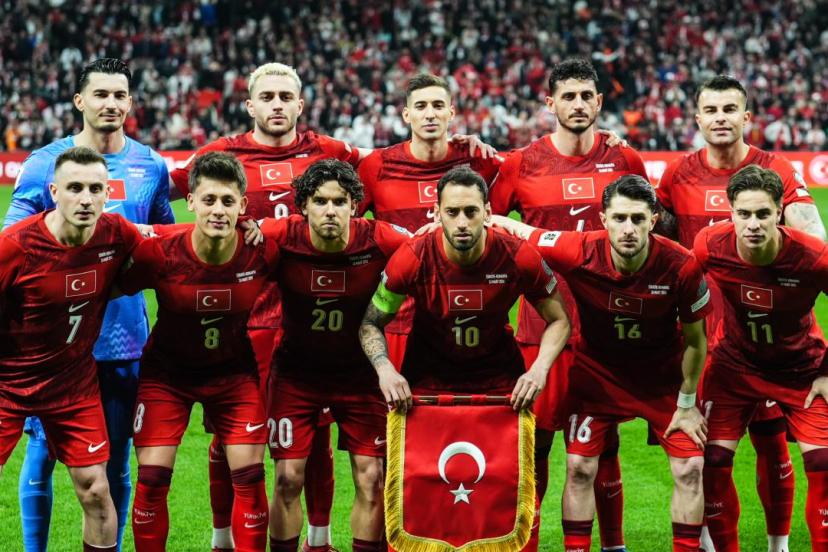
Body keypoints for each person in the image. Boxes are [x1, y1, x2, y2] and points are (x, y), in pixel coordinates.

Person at [170, 62, 361, 552]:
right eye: (267, 97)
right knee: (231, 435)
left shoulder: (331, 152)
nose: (277, 105)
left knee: (315, 431)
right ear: (250, 105)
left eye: (285, 97)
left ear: (300, 104)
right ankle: (222, 538)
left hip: (308, 316)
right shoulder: (220, 154)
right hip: (245, 317)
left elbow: (385, 170)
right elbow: (161, 188)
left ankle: (319, 538)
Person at [3, 58, 174, 552]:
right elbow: (15, 236)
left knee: (112, 463)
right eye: (101, 94)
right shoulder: (45, 163)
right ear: (80, 101)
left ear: (131, 102)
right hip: (49, 345)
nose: (111, 104)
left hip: (122, 339)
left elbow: (164, 239)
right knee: (41, 454)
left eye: (120, 95)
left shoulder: (149, 165)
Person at [494, 174, 711, 552]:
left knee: (691, 468)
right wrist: (474, 219)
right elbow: (522, 231)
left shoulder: (681, 265)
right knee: (579, 467)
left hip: (661, 382)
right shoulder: (577, 250)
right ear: (603, 219)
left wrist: (688, 403)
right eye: (620, 218)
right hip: (598, 379)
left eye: (638, 219)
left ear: (653, 220)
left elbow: (696, 341)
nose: (629, 229)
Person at [657, 75, 827, 552]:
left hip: (779, 337)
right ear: (697, 119)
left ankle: (779, 545)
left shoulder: (776, 169)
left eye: (730, 109)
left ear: (746, 117)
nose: (720, 118)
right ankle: (709, 542)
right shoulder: (677, 175)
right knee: (706, 456)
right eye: (711, 110)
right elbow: (663, 246)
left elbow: (812, 237)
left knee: (772, 443)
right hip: (712, 343)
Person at [488, 57, 648, 552]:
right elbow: (489, 228)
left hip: (607, 331)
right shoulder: (520, 164)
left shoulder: (625, 160)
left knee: (604, 445)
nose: (578, 105)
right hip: (542, 329)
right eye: (568, 96)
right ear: (550, 103)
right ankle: (526, 545)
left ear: (599, 102)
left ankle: (614, 545)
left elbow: (653, 229)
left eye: (586, 97)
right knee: (533, 446)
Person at [119, 152, 274, 551]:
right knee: (152, 479)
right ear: (190, 202)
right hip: (167, 377)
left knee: (251, 479)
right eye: (208, 200)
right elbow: (109, 284)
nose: (218, 210)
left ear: (243, 205)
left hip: (234, 376)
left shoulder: (262, 250)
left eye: (227, 201)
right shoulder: (160, 251)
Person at [0, 146, 144, 552]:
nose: (85, 199)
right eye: (74, 188)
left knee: (96, 490)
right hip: (8, 385)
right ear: (54, 192)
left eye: (95, 189)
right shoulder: (15, 246)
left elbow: (163, 248)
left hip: (72, 385)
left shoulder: (116, 234)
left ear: (107, 194)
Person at [263, 159, 410, 552]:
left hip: (360, 376)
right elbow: (227, 236)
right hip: (295, 375)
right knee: (287, 478)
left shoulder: (380, 239)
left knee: (372, 477)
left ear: (354, 206)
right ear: (303, 206)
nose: (330, 210)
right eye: (320, 201)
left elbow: (427, 247)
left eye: (340, 201)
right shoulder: (280, 235)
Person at [358, 163, 569, 433]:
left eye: (471, 212)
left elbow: (559, 320)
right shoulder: (412, 258)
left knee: (511, 458)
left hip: (499, 378)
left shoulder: (519, 257)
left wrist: (539, 369)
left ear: (487, 213)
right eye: (452, 212)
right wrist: (385, 370)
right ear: (437, 214)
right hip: (426, 379)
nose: (461, 223)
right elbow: (370, 323)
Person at [693, 165, 828, 552]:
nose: (753, 224)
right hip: (734, 367)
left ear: (780, 211)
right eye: (744, 214)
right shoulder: (709, 244)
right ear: (730, 213)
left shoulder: (813, 257)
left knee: (823, 464)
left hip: (801, 370)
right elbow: (678, 287)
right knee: (713, 460)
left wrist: (827, 372)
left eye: (763, 213)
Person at [357, 72, 502, 370]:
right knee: (399, 398)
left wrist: (600, 137)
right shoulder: (376, 167)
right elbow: (350, 228)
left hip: (469, 316)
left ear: (451, 112)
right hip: (400, 317)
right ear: (406, 115)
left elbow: (529, 161)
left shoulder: (478, 160)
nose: (430, 114)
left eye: (438, 105)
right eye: (421, 106)